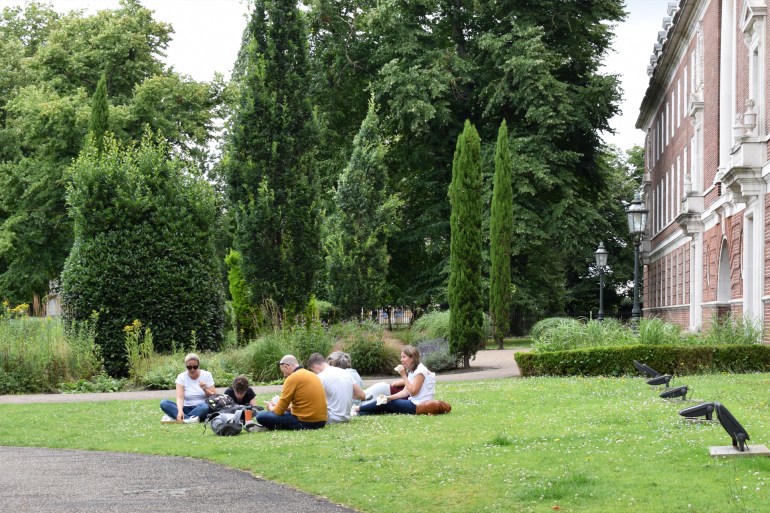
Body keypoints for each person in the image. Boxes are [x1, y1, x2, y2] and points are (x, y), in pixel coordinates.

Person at [357, 345, 435, 415]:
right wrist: (388, 397)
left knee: (386, 403)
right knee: (385, 402)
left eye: (404, 357)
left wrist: (404, 376)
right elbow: (405, 392)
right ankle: (359, 412)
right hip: (414, 403)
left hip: (418, 405)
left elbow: (413, 392)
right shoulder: (412, 371)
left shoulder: (420, 371)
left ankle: (358, 409)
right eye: (401, 357)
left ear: (412, 358)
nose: (401, 360)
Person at [255, 355, 327, 430]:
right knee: (284, 414)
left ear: (287, 366)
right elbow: (303, 406)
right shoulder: (313, 375)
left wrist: (271, 408)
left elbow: (278, 411)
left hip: (305, 422)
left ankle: (270, 426)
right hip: (321, 422)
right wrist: (279, 406)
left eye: (283, 372)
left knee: (261, 415)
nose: (284, 375)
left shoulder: (292, 378)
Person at [307, 353, 366, 423]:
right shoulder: (345, 373)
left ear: (315, 367)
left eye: (313, 371)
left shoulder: (320, 377)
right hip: (346, 417)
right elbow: (362, 395)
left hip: (331, 418)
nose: (315, 373)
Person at [160, 353, 216, 423]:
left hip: (200, 407)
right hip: (185, 408)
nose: (192, 369)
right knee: (164, 403)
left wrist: (205, 389)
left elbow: (214, 396)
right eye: (189, 367)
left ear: (199, 365)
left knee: (205, 407)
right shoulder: (181, 377)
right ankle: (189, 419)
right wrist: (180, 411)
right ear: (186, 366)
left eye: (195, 367)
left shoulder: (207, 375)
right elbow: (180, 398)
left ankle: (178, 418)